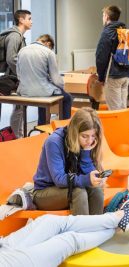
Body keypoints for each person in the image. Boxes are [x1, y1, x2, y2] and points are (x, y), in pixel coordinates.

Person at [0, 197, 129, 267]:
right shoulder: (54, 143)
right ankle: (117, 226)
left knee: (50, 220)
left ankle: (115, 218)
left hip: (3, 245)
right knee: (68, 240)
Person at [33, 108, 105, 215]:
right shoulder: (53, 142)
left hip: (69, 188)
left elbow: (87, 177)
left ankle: (95, 230)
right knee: (78, 192)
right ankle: (81, 231)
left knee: (96, 190)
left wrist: (86, 153)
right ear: (75, 132)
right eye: (84, 136)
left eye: (93, 136)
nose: (89, 141)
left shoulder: (89, 143)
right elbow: (59, 179)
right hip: (44, 193)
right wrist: (86, 179)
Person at [11, 34, 72, 135]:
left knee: (42, 99)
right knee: (67, 97)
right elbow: (56, 79)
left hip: (24, 92)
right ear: (48, 43)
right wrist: (61, 86)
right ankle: (65, 131)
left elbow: (19, 75)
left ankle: (41, 129)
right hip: (42, 92)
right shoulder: (48, 52)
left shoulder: (22, 51)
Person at [2, 10, 32, 138]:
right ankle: (16, 138)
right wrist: (23, 73)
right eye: (29, 18)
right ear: (21, 20)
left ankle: (17, 136)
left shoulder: (19, 36)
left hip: (15, 77)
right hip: (13, 78)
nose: (31, 21)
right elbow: (11, 58)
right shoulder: (15, 36)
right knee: (19, 109)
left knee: (20, 108)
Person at [95, 5, 129, 110]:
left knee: (115, 110)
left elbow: (101, 56)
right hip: (126, 75)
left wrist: (101, 77)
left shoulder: (108, 32)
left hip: (113, 75)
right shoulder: (124, 31)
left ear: (106, 17)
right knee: (123, 108)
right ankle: (124, 127)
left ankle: (118, 127)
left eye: (103, 15)